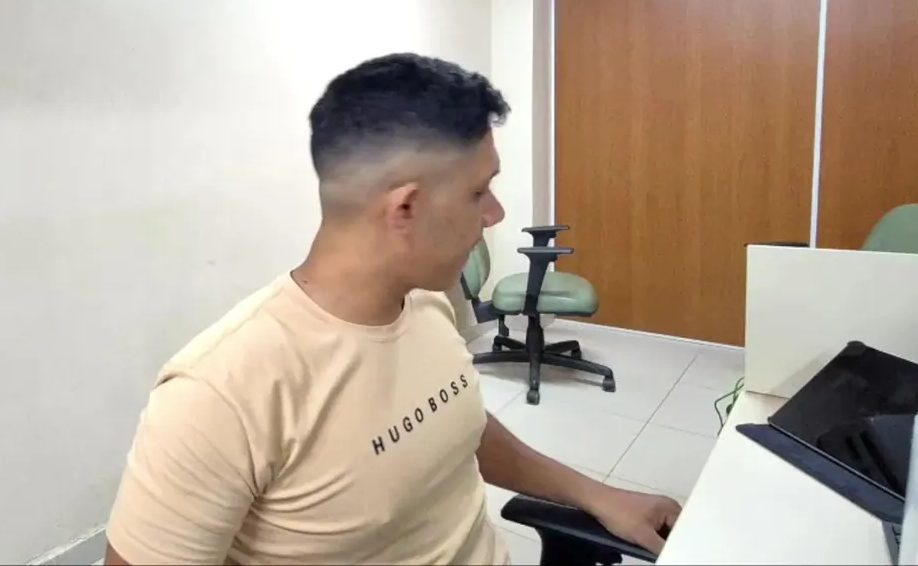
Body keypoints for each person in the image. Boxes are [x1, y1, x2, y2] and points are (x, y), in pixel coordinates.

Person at [105, 54, 680, 565]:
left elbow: (456, 428)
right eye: (478, 192)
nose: (495, 214)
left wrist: (596, 495)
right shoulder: (219, 395)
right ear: (405, 207)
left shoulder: (425, 305)